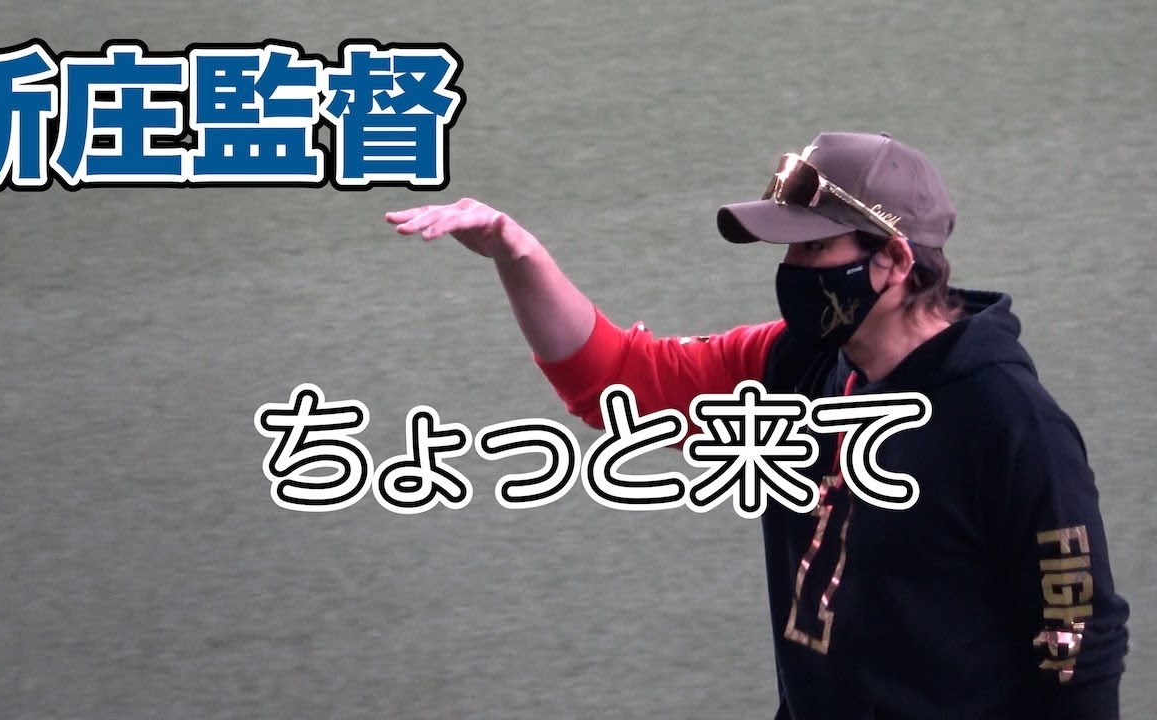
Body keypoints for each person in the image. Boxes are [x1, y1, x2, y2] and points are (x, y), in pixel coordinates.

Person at [385, 131, 1129, 719]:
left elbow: (1075, 633)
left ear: (894, 259)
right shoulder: (796, 365)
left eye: (815, 246)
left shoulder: (1009, 423)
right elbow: (617, 383)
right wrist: (516, 252)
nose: (793, 268)